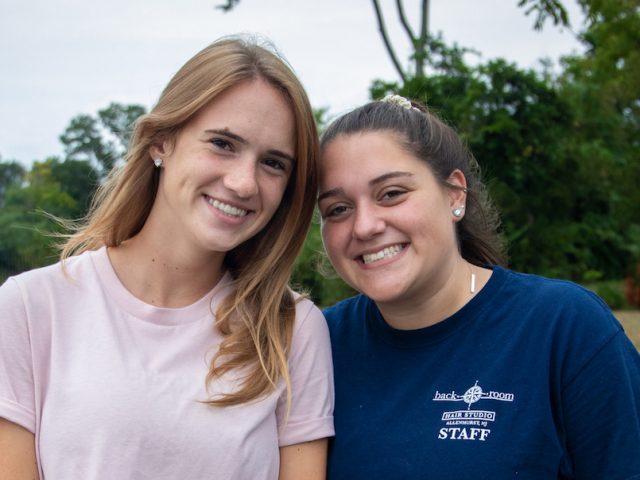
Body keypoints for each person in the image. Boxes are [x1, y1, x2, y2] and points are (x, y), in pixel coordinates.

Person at [0, 37, 334, 479]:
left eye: (273, 163)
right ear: (161, 141)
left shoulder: (293, 330)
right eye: (222, 143)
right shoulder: (29, 307)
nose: (244, 183)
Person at [317, 94, 640, 479]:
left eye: (391, 194)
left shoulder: (565, 327)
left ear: (455, 193)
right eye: (338, 209)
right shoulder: (317, 345)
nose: (365, 225)